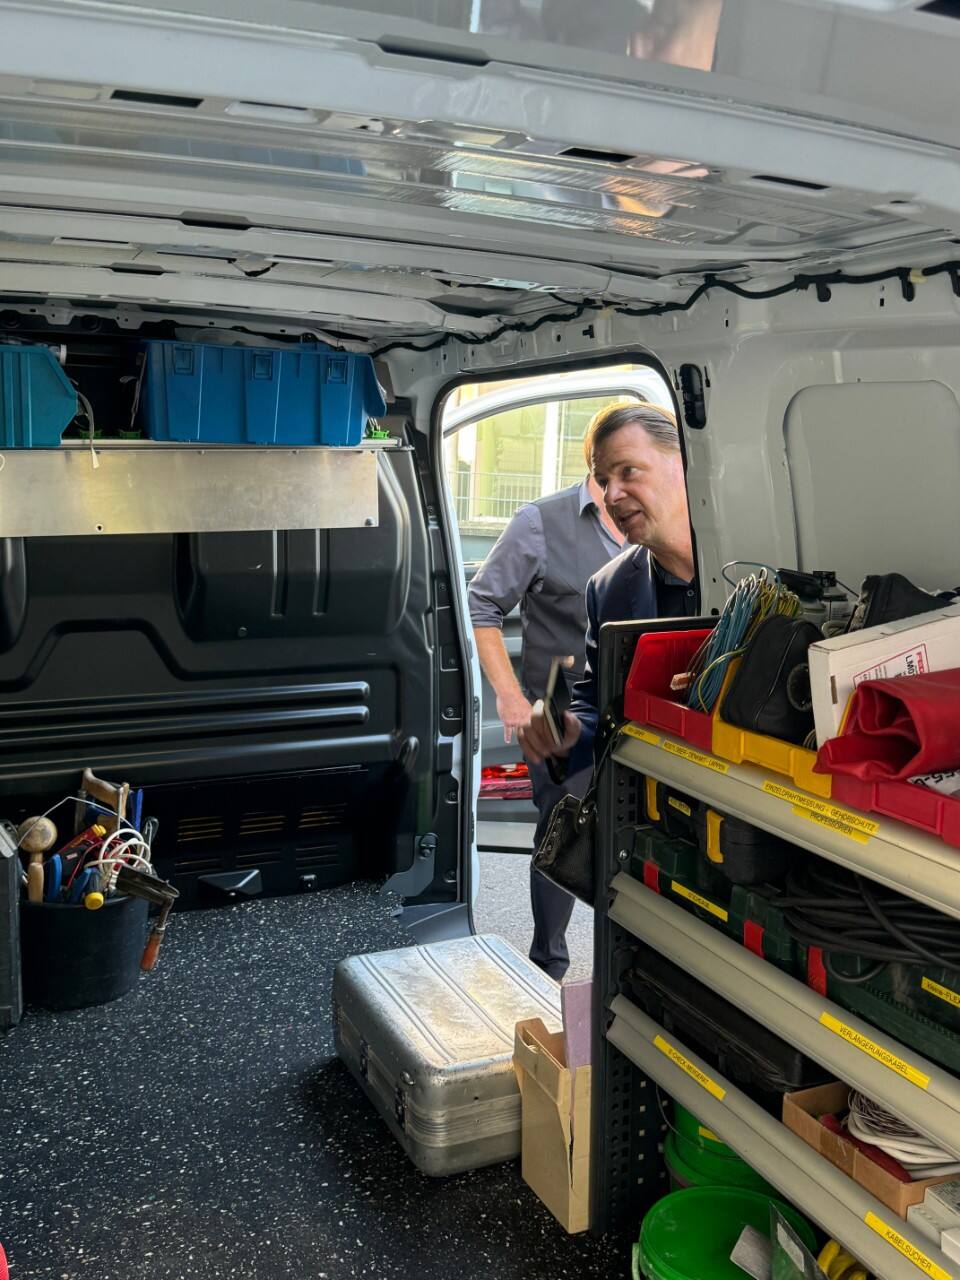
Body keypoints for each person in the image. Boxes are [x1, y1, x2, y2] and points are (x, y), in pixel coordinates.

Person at [468, 414, 624, 979]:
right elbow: (482, 604)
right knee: (561, 829)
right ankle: (547, 963)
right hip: (560, 718)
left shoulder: (661, 525)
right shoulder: (539, 522)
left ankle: (624, 968)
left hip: (632, 713)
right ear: (597, 468)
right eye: (619, 471)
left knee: (630, 839)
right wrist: (511, 698)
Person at [519, 403, 697, 778]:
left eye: (627, 471)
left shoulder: (759, 571)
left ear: (684, 463)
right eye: (603, 481)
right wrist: (570, 734)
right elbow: (597, 703)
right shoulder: (608, 588)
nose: (611, 495)